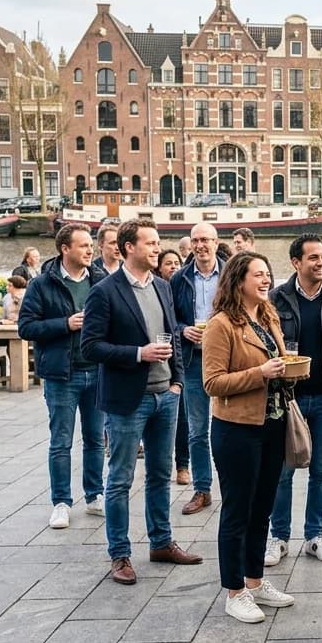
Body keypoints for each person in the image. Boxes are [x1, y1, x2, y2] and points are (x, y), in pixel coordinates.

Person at [80, 218, 202, 584]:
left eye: (157, 242)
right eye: (150, 243)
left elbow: (173, 336)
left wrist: (177, 382)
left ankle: (161, 542)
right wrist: (138, 353)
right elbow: (90, 346)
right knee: (120, 479)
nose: (157, 248)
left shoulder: (163, 286)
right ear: (128, 247)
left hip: (166, 396)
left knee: (161, 475)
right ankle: (119, 554)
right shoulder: (104, 291)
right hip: (127, 400)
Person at [201, 251, 298, 623]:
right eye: (258, 274)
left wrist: (290, 370)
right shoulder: (221, 325)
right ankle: (234, 592)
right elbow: (212, 383)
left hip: (273, 424)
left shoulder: (268, 315)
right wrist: (261, 373)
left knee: (262, 509)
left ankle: (255, 582)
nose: (266, 279)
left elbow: (277, 364)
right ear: (238, 280)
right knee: (237, 511)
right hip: (237, 429)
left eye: (267, 274)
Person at [266, 233, 322, 566]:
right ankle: (278, 537)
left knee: (321, 470)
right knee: (283, 471)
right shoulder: (275, 299)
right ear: (296, 262)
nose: (321, 263)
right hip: (288, 400)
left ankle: (315, 536)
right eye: (314, 258)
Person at [19, 223, 108, 530]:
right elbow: (26, 327)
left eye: (91, 245)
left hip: (96, 370)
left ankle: (94, 495)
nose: (90, 250)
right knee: (61, 441)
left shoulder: (101, 279)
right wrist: (65, 324)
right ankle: (61, 502)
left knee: (96, 439)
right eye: (83, 246)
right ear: (65, 249)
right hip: (61, 375)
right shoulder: (41, 284)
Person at [172, 223, 229, 516]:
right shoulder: (179, 278)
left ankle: (231, 488)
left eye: (205, 239)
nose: (200, 245)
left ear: (216, 243)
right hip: (193, 361)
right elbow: (170, 317)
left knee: (230, 425)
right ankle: (202, 489)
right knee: (196, 429)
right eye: (195, 240)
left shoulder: (231, 274)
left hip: (227, 360)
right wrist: (184, 330)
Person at [155, 249, 191, 484]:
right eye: (168, 263)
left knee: (183, 417)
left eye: (177, 262)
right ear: (159, 268)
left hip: (178, 360)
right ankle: (160, 464)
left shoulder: (177, 287)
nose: (174, 267)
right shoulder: (156, 288)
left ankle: (182, 465)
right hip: (155, 364)